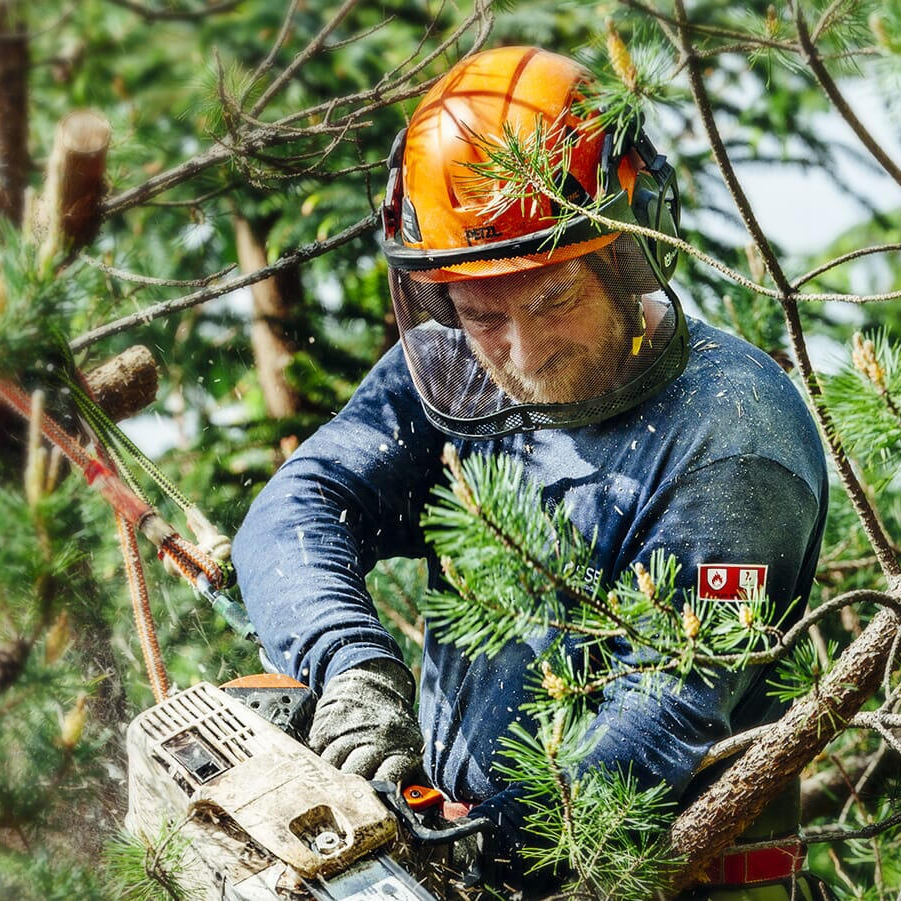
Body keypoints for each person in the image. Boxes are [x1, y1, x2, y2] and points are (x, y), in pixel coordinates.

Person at [233, 46, 829, 892]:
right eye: (481, 313)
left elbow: (658, 719)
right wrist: (352, 666)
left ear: (623, 255)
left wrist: (458, 845)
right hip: (456, 854)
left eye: (552, 298)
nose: (521, 350)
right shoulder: (461, 371)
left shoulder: (732, 439)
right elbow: (298, 504)